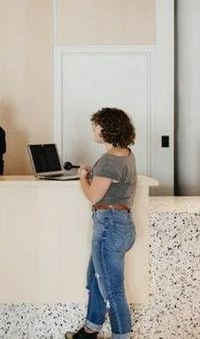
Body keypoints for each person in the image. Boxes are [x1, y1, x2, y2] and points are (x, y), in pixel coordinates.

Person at [67, 108, 137, 339]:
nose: (93, 129)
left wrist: (81, 178)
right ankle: (89, 331)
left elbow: (93, 196)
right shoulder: (125, 153)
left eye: (96, 125)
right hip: (123, 226)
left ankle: (122, 335)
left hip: (109, 228)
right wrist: (94, 174)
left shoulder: (109, 161)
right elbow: (110, 185)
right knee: (96, 279)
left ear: (108, 128)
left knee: (113, 291)